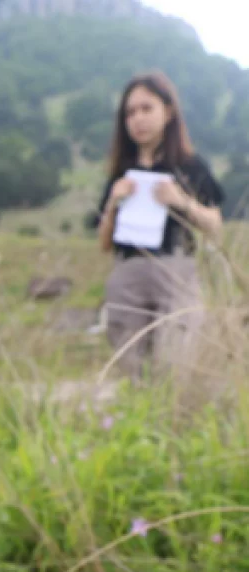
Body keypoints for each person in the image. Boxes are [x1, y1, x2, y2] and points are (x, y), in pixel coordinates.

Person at [97, 71, 225, 379]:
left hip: (176, 270)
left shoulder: (189, 166)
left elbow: (215, 225)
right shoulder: (121, 172)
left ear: (168, 112)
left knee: (175, 363)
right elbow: (103, 243)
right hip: (128, 272)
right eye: (130, 112)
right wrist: (113, 201)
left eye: (146, 108)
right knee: (130, 367)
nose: (138, 119)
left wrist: (182, 201)